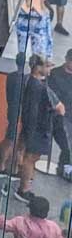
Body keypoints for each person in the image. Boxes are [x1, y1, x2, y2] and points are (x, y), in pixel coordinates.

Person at [16, 54, 64, 202]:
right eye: (47, 66)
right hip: (39, 129)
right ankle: (23, 190)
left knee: (24, 155)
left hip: (29, 126)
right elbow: (60, 109)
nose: (50, 69)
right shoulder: (42, 88)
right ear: (38, 68)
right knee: (31, 159)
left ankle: (22, 182)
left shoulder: (29, 82)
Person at [0, 53, 30, 179]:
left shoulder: (11, 76)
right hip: (21, 113)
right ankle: (6, 167)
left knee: (11, 138)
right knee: (13, 140)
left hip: (12, 111)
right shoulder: (26, 80)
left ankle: (3, 166)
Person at [47, 48, 72, 178]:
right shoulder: (55, 74)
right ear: (67, 59)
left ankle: (65, 167)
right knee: (67, 143)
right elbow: (51, 96)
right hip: (58, 117)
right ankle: (65, 169)